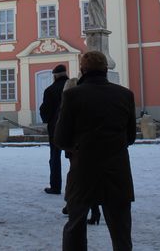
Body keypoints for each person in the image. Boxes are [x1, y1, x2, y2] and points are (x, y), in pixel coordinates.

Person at [55, 51, 136, 251]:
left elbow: (60, 138)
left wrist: (78, 146)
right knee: (121, 232)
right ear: (106, 70)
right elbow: (131, 136)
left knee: (75, 227)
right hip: (117, 170)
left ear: (82, 70)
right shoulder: (125, 95)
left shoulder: (72, 95)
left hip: (83, 169)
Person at [59, 77, 101, 226]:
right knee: (89, 179)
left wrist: (66, 145)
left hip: (76, 148)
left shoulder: (69, 101)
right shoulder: (90, 101)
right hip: (91, 148)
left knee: (76, 179)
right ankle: (93, 210)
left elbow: (63, 131)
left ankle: (71, 205)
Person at [39, 64, 69, 195]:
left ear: (55, 76)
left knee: (55, 157)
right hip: (74, 128)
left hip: (55, 128)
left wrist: (47, 120)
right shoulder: (74, 87)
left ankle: (55, 186)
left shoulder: (50, 90)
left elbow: (45, 111)